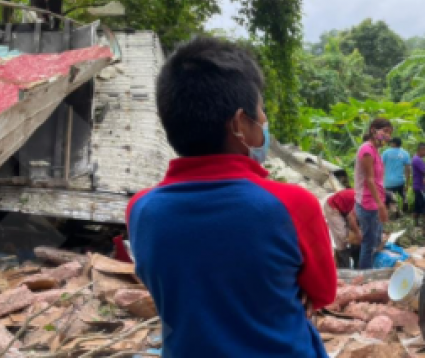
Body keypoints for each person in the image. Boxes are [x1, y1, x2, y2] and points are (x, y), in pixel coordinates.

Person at [126, 37, 336, 357]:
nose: (264, 122)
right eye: (260, 112)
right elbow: (322, 293)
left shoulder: (140, 211)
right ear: (239, 124)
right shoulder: (293, 206)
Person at [355, 118, 393, 269]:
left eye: (389, 133)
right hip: (368, 203)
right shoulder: (367, 150)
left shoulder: (375, 150)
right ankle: (364, 275)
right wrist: (381, 205)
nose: (387, 136)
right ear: (373, 130)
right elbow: (369, 180)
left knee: (375, 240)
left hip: (374, 202)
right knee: (369, 243)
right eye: (385, 131)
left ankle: (370, 269)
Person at [323, 175, 362, 269]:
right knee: (342, 237)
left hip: (345, 209)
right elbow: (351, 218)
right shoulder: (362, 200)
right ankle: (343, 266)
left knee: (353, 237)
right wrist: (358, 233)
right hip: (333, 207)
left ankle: (355, 256)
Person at [383, 137, 411, 215]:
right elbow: (408, 168)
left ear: (394, 143)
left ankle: (395, 211)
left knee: (391, 198)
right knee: (402, 192)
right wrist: (407, 182)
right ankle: (405, 200)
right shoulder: (405, 153)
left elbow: (380, 166)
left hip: (388, 181)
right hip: (400, 180)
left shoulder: (386, 153)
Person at [411, 143, 425, 226]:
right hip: (420, 186)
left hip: (417, 185)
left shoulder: (417, 159)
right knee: (424, 207)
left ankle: (416, 223)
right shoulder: (417, 160)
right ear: (421, 150)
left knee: (417, 206)